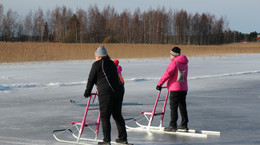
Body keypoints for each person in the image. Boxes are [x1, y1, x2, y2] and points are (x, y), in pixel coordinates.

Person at [84, 46, 128, 145]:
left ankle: (106, 141)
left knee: (105, 116)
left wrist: (87, 91)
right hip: (119, 90)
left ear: (99, 56)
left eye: (95, 55)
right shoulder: (112, 63)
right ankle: (123, 139)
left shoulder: (96, 64)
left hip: (107, 92)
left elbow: (91, 79)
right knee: (117, 115)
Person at [156, 46, 189, 132]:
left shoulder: (174, 62)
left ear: (173, 55)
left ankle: (173, 125)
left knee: (173, 107)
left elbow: (167, 74)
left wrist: (159, 84)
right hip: (183, 88)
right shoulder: (184, 62)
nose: (170, 56)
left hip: (175, 88)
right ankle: (184, 124)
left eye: (170, 54)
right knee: (182, 106)